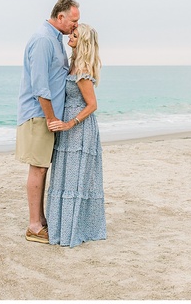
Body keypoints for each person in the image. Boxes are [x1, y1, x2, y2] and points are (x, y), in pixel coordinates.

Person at [16, 0, 80, 244]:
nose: (76, 25)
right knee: (38, 167)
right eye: (73, 20)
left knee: (42, 167)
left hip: (46, 114)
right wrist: (52, 118)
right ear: (60, 17)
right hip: (38, 114)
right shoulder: (44, 40)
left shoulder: (55, 40)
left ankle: (40, 220)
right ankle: (34, 226)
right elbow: (40, 86)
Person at [46, 23, 106, 248]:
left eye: (75, 35)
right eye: (72, 32)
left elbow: (92, 105)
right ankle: (62, 227)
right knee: (65, 176)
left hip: (79, 129)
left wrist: (71, 123)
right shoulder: (72, 64)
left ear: (83, 42)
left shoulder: (82, 70)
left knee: (76, 179)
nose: (70, 36)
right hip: (68, 128)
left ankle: (74, 229)